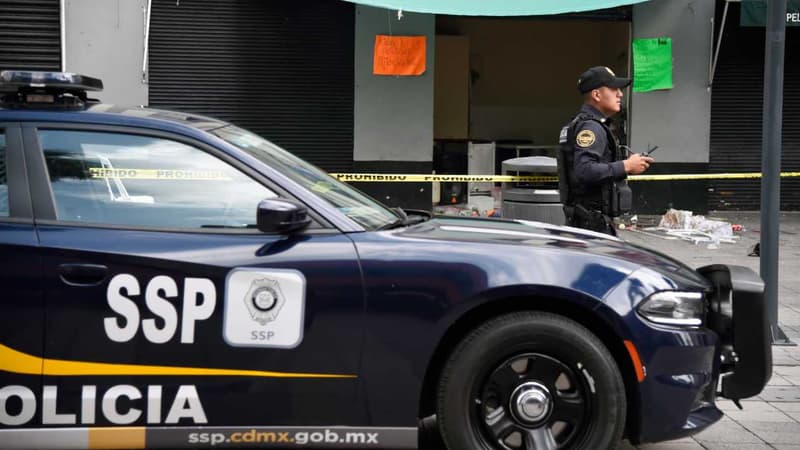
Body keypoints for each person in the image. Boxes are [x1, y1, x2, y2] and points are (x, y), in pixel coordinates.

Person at [558, 66, 654, 236]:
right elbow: (585, 170)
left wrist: (629, 165)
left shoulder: (582, 124)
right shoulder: (591, 127)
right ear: (596, 95)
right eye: (614, 89)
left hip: (585, 221)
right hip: (591, 225)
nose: (620, 94)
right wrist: (625, 165)